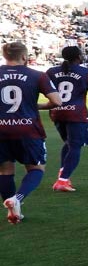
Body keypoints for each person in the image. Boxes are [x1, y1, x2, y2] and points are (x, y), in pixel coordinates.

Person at [0, 41, 62, 224]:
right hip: (28, 130)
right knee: (36, 169)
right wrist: (39, 106)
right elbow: (57, 101)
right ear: (25, 56)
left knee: (4, 171)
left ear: (5, 56)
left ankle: (13, 209)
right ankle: (17, 199)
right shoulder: (37, 75)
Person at [46, 45, 88, 192]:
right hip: (76, 114)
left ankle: (63, 174)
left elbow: (45, 89)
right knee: (76, 146)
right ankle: (62, 181)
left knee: (68, 143)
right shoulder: (87, 72)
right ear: (78, 56)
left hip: (57, 112)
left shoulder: (51, 71)